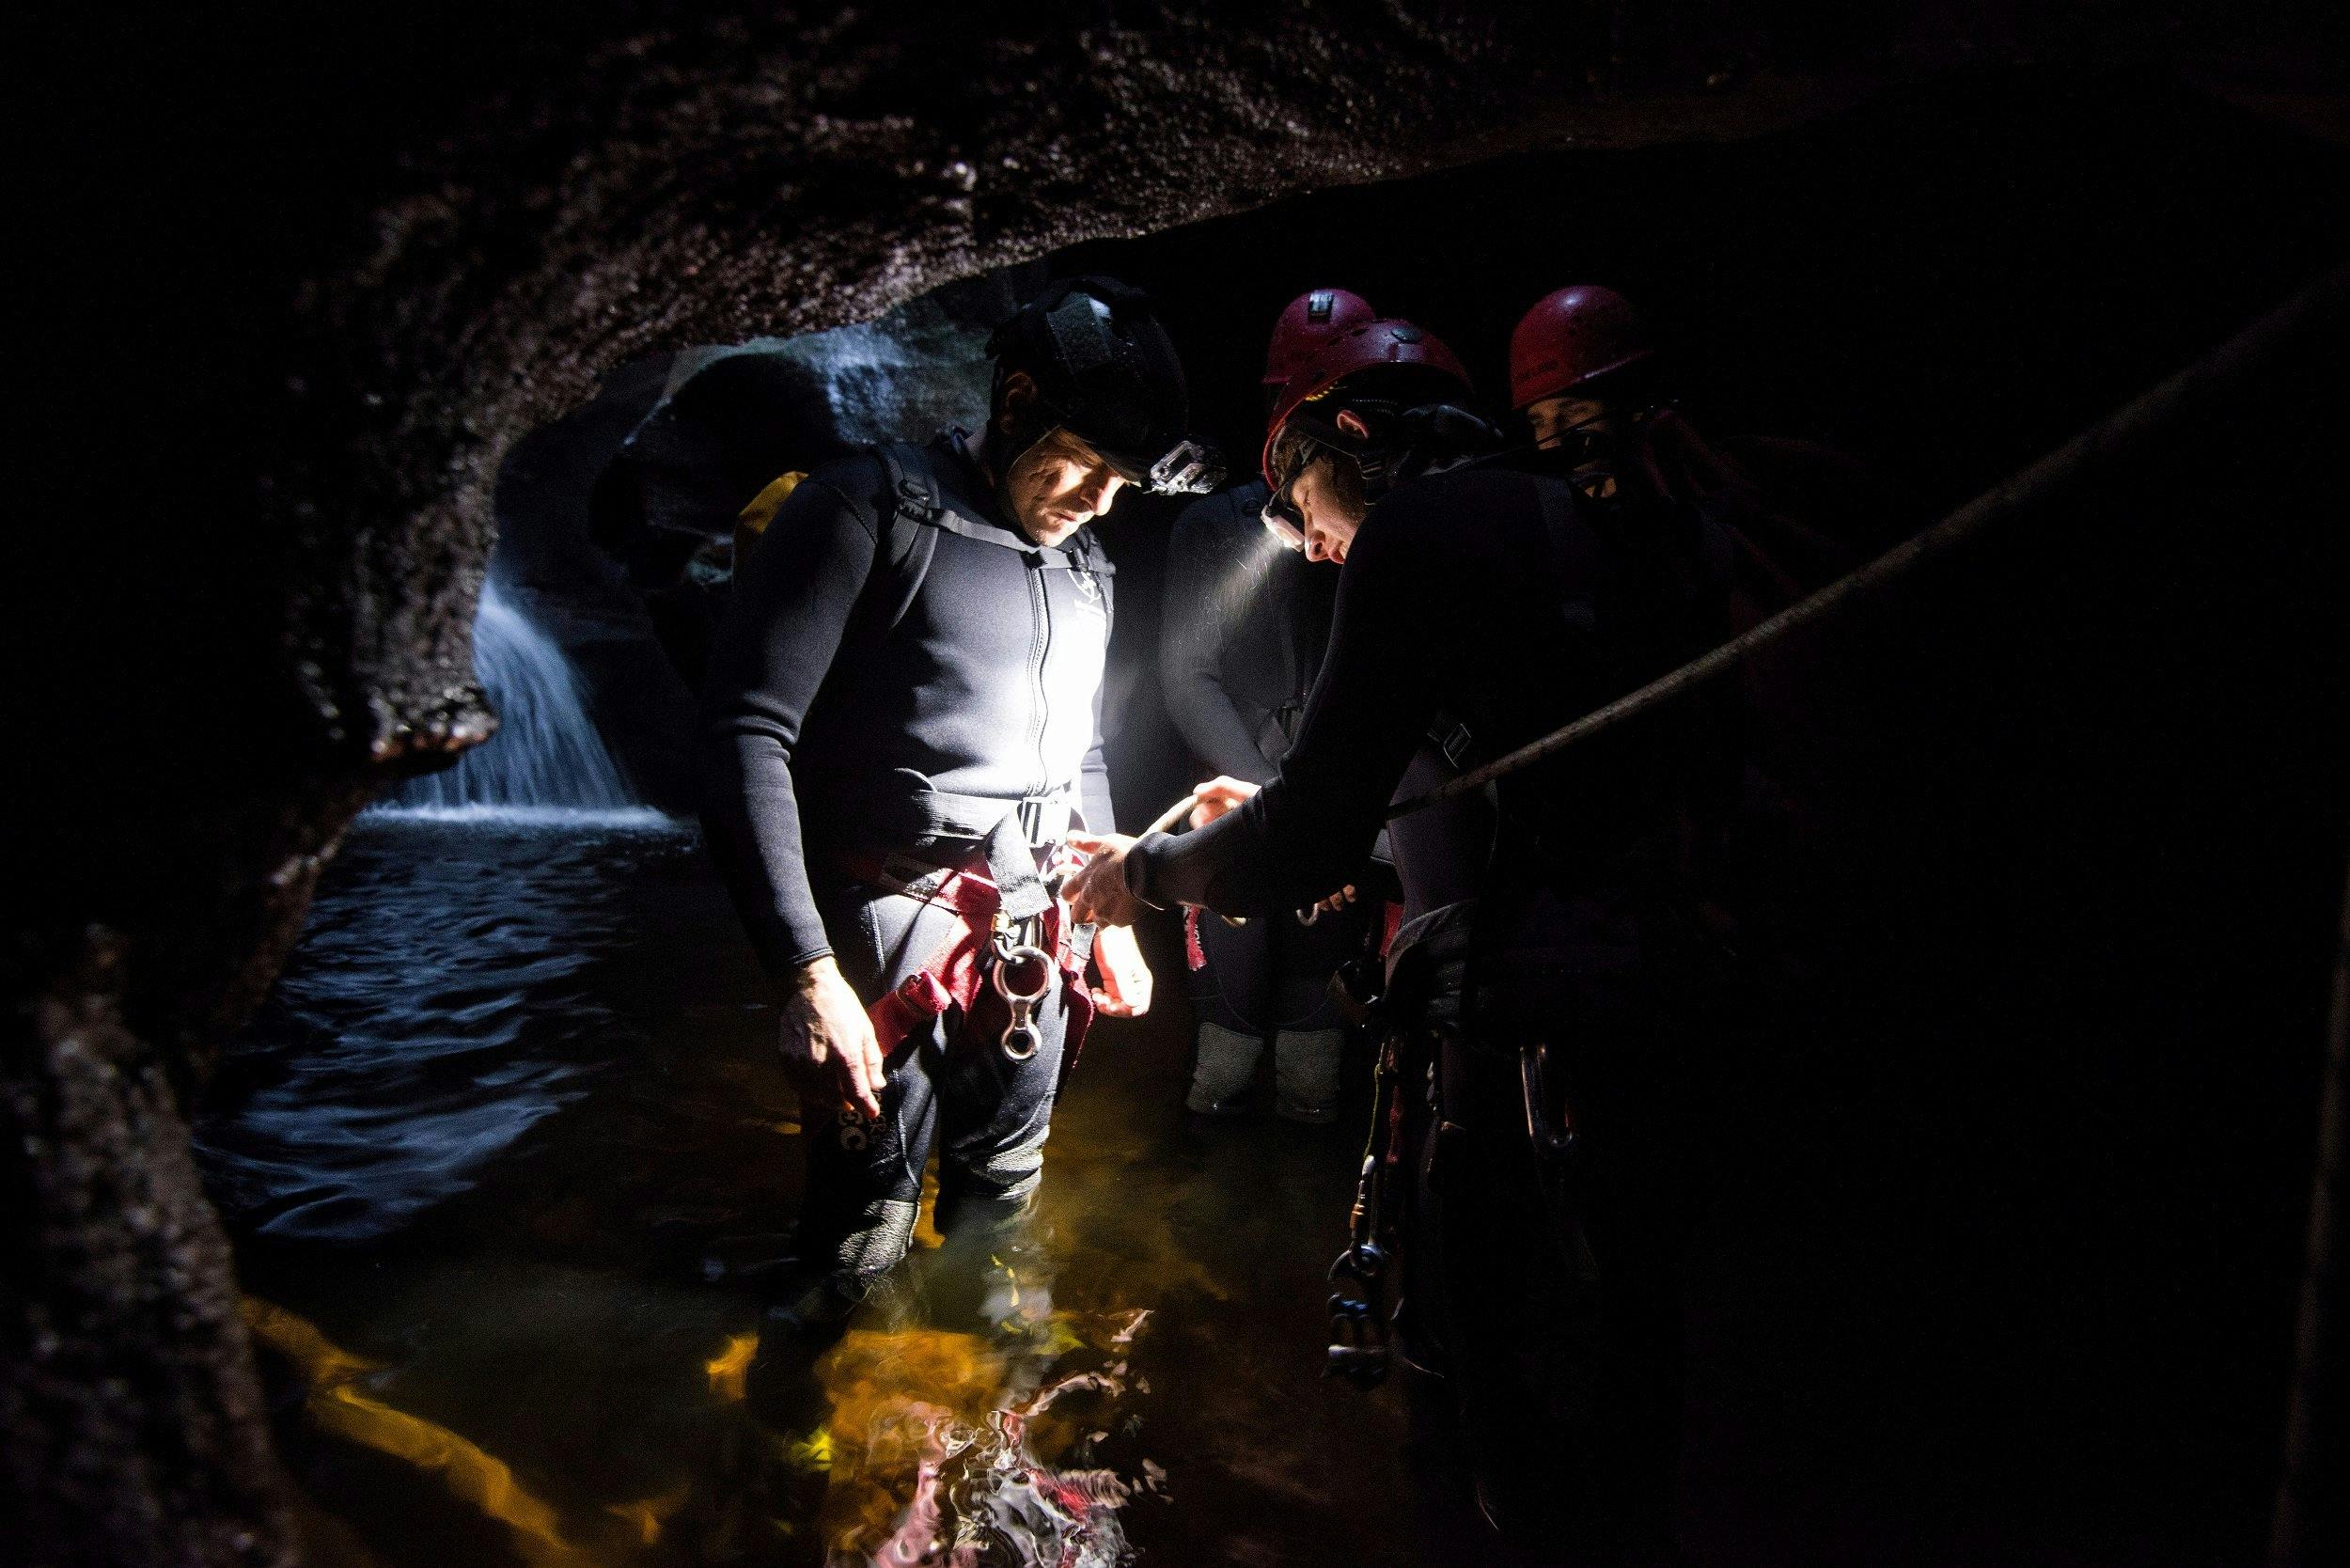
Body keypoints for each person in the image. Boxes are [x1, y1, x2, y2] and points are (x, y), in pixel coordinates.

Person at [1065, 311, 1745, 1560]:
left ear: (1353, 437)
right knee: (1635, 1374)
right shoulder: (1603, 531)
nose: (1314, 545)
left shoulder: (1426, 534)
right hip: (1666, 1019)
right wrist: (1268, 819)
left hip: (1516, 1046)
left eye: (1302, 491)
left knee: (1480, 1399)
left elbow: (1319, 837)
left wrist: (1146, 874)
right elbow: (1498, 794)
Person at [700, 274, 1220, 1341]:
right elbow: (747, 734)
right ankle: (801, 1459)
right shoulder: (863, 511)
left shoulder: (1085, 563)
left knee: (1001, 1208)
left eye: (1123, 481)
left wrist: (1105, 905)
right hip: (886, 929)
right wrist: (805, 971)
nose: (1098, 499)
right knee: (861, 1233)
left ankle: (984, 1442)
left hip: (1035, 927)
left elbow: (1077, 745)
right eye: (1083, 463)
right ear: (1016, 398)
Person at [1158, 287, 1377, 1121]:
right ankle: (1216, 1210)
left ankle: (1283, 1208)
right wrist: (1287, 807)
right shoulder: (1216, 531)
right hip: (1246, 802)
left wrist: (1345, 821)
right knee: (1226, 1057)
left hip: (1341, 811)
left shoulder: (1385, 534)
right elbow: (1188, 680)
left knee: (1315, 1074)